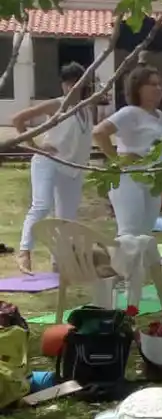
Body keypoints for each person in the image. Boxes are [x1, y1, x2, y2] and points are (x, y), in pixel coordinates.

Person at [14, 62, 94, 273]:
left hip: (72, 168)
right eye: (68, 83)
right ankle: (24, 252)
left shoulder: (87, 107)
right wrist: (36, 147)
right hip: (48, 162)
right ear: (63, 85)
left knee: (67, 216)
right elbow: (19, 119)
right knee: (42, 205)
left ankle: (60, 260)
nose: (72, 87)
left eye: (77, 82)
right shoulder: (57, 105)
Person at [93, 64, 162, 237]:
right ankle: (123, 264)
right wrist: (117, 160)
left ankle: (141, 265)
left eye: (160, 84)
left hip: (153, 180)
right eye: (152, 84)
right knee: (130, 232)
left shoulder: (161, 116)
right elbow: (99, 132)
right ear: (138, 88)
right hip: (130, 178)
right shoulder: (129, 113)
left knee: (145, 233)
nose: (158, 88)